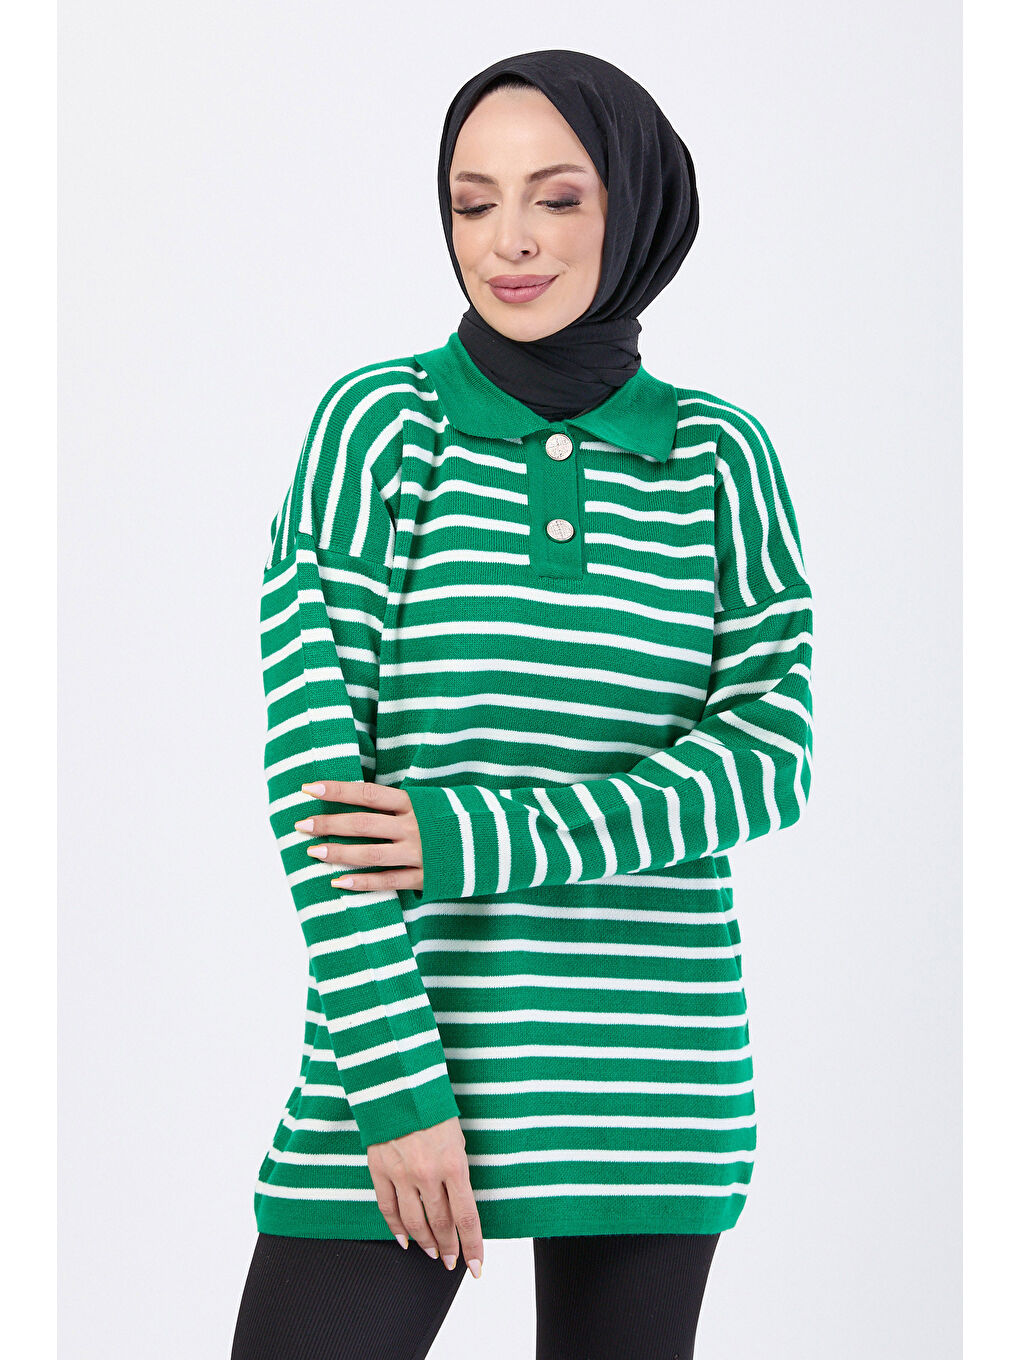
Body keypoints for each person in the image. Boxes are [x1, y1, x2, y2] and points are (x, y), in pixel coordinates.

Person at [231, 48, 813, 1360]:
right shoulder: (380, 429)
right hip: (404, 1053)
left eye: (557, 198)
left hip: (651, 1078)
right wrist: (393, 1088)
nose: (508, 241)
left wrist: (468, 837)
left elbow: (770, 758)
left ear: (635, 210)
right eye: (472, 200)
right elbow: (318, 784)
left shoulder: (720, 459)